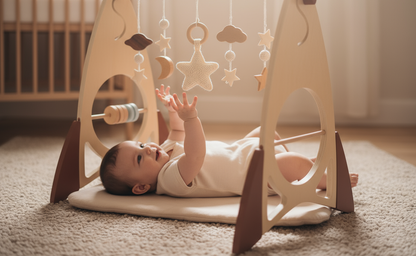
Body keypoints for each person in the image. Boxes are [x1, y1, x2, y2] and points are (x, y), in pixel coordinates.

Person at [100, 85, 358, 197]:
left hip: (242, 150)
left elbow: (177, 135)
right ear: (141, 187)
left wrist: (174, 112)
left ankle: (299, 170)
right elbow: (195, 156)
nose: (148, 150)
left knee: (265, 132)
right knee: (289, 162)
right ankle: (327, 181)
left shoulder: (164, 153)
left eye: (142, 146)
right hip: (254, 175)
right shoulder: (169, 181)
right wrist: (192, 119)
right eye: (139, 158)